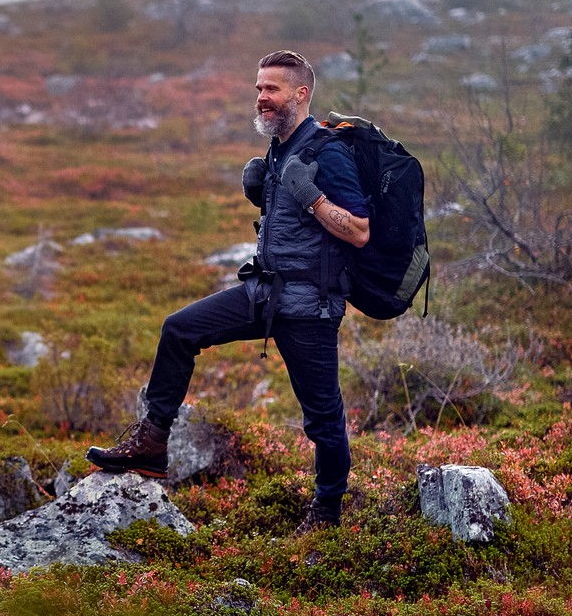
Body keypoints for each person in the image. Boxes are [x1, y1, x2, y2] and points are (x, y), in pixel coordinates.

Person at [88, 50, 370, 534]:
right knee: (179, 330)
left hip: (310, 306)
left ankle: (327, 511)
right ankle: (152, 444)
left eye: (272, 89)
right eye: (258, 88)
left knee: (322, 416)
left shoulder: (329, 152)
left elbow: (360, 231)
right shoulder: (280, 148)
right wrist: (267, 192)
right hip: (266, 292)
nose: (262, 98)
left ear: (301, 94)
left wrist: (313, 197)